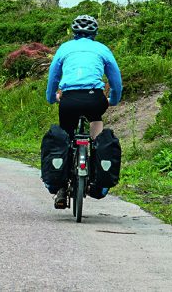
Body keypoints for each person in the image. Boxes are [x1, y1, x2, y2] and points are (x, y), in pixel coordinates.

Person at [45, 14, 123, 208]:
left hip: (69, 100)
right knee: (96, 122)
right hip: (94, 98)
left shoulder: (65, 48)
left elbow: (53, 78)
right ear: (94, 33)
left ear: (74, 33)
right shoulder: (102, 49)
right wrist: (112, 99)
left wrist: (51, 97)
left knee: (66, 136)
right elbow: (116, 80)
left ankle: (62, 189)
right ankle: (96, 162)